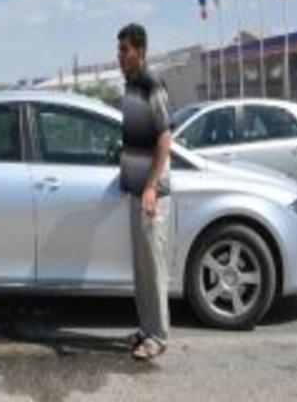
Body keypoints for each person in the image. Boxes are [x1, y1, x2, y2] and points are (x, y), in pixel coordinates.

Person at [117, 23, 172, 361]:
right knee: (141, 269)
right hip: (137, 191)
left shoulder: (153, 84)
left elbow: (164, 137)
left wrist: (150, 185)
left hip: (153, 194)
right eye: (119, 50)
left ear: (140, 51)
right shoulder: (131, 87)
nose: (120, 56)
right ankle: (146, 328)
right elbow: (138, 137)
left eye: (124, 50)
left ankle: (158, 336)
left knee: (153, 268)